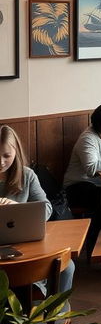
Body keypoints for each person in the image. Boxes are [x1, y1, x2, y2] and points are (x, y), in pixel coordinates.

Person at [0, 125, 74, 292]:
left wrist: (17, 209)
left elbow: (46, 208)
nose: (1, 162)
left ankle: (53, 315)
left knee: (67, 266)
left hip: (24, 243)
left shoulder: (26, 175)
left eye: (6, 156)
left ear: (16, 153)